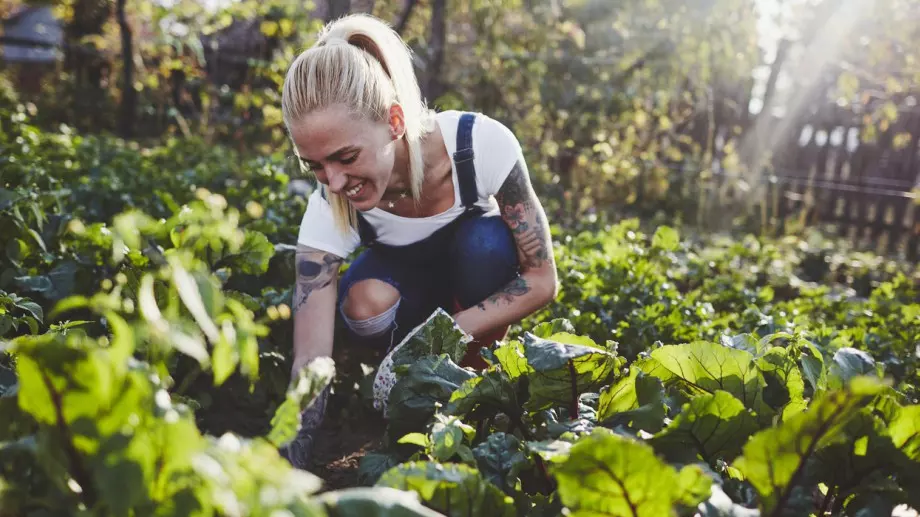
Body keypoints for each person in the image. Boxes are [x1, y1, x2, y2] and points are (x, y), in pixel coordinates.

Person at [277, 13, 558, 470]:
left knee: (486, 245)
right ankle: (405, 389)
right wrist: (286, 465)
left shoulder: (479, 145)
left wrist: (436, 340)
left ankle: (472, 376)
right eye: (315, 165)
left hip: (472, 282)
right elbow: (310, 358)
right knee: (365, 305)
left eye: (346, 157)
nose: (333, 181)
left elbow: (542, 280)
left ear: (393, 121)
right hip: (407, 286)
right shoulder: (327, 207)